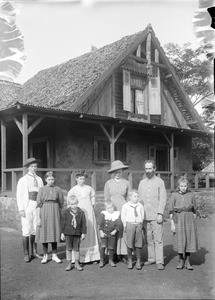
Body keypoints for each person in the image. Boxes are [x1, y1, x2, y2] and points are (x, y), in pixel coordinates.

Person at [138, 160, 167, 270]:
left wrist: (160, 213)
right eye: (146, 169)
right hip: (145, 216)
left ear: (154, 169)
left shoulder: (160, 182)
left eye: (150, 168)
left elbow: (163, 199)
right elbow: (140, 200)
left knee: (158, 239)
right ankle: (151, 258)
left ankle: (160, 261)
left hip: (156, 215)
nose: (148, 171)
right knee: (148, 238)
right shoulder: (142, 183)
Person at [67, 170, 100, 263]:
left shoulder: (89, 188)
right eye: (80, 179)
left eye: (83, 179)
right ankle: (78, 258)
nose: (82, 180)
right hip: (78, 212)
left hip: (89, 211)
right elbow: (69, 202)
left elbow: (93, 199)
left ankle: (93, 257)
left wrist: (91, 205)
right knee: (79, 231)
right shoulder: (73, 190)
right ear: (76, 179)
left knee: (89, 231)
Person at [16, 157, 44, 263]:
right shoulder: (23, 180)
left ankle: (34, 252)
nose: (34, 168)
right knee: (26, 230)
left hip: (36, 205)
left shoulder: (39, 179)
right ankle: (26, 254)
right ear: (28, 168)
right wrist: (21, 209)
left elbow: (41, 193)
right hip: (27, 206)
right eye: (31, 166)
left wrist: (40, 205)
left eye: (35, 166)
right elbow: (19, 195)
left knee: (35, 229)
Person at [169, 176, 199, 270]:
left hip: (189, 219)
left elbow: (195, 209)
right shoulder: (174, 195)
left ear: (187, 186)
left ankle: (187, 260)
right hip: (178, 219)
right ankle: (181, 260)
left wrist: (193, 220)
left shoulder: (191, 195)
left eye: (185, 186)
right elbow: (171, 211)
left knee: (189, 238)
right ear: (178, 186)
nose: (183, 188)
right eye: (181, 186)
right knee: (180, 239)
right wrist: (172, 224)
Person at [36, 171, 65, 264]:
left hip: (55, 211)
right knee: (45, 233)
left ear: (54, 179)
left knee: (54, 232)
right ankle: (45, 255)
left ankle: (54, 255)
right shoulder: (41, 189)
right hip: (44, 211)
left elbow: (61, 203)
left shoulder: (58, 189)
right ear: (45, 180)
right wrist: (38, 218)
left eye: (52, 179)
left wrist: (61, 216)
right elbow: (39, 204)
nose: (51, 181)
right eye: (49, 179)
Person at [104, 160, 130, 262]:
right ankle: (113, 253)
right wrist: (108, 211)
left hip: (123, 208)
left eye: (119, 172)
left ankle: (123, 253)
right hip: (112, 208)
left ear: (122, 171)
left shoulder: (126, 183)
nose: (117, 174)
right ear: (112, 173)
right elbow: (106, 198)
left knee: (122, 229)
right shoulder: (108, 183)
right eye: (115, 172)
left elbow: (129, 198)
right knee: (112, 229)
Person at [61, 195, 87, 271]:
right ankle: (69, 263)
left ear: (77, 203)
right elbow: (63, 223)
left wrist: (83, 233)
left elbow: (84, 223)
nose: (74, 206)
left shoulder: (81, 212)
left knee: (76, 248)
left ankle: (76, 262)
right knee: (68, 248)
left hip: (77, 233)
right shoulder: (66, 212)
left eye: (75, 203)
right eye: (72, 204)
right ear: (69, 204)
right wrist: (62, 233)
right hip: (68, 233)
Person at [121, 190, 145, 270]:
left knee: (138, 242)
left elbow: (142, 214)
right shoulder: (126, 206)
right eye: (135, 196)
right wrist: (125, 225)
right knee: (129, 242)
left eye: (137, 196)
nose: (136, 198)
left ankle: (138, 260)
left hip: (138, 225)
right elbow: (123, 216)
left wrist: (140, 222)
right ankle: (130, 260)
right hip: (129, 224)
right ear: (130, 197)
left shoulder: (140, 206)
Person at [98, 200, 121, 268]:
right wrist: (101, 232)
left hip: (112, 233)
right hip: (104, 232)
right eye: (108, 208)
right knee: (103, 246)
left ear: (113, 207)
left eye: (111, 208)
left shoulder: (116, 214)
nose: (110, 209)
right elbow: (100, 224)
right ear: (105, 208)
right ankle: (102, 259)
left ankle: (111, 260)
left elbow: (118, 224)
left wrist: (115, 231)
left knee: (111, 247)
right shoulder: (104, 214)